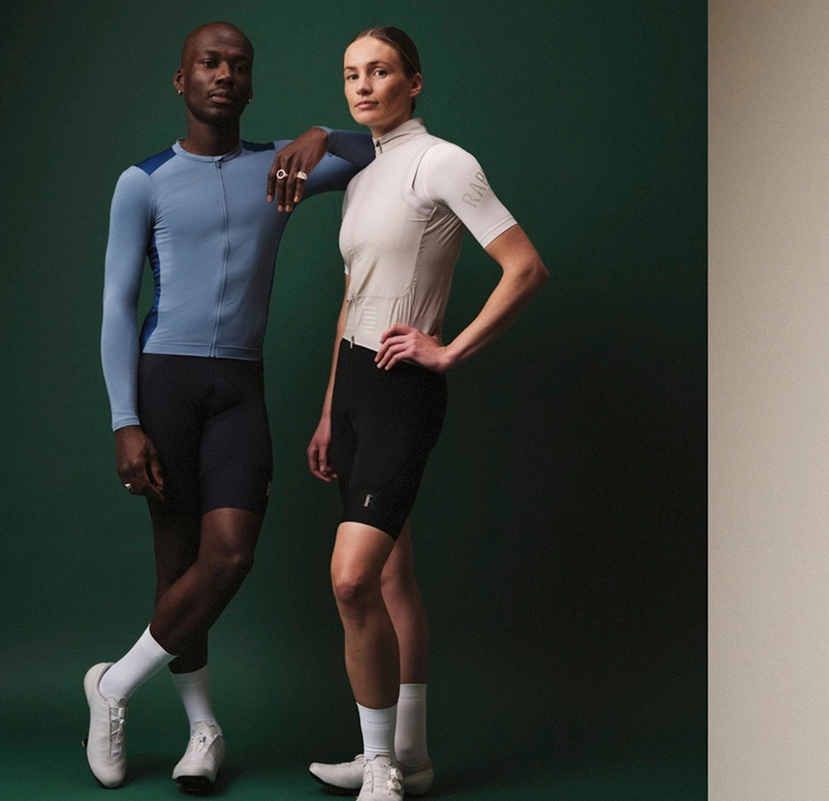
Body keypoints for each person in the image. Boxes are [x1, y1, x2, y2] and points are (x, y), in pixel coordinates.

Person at [88, 21, 375, 791]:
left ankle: (112, 683)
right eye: (210, 63)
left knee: (230, 554)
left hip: (239, 385)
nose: (225, 74)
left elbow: (382, 152)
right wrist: (125, 419)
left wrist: (322, 132)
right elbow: (120, 304)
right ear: (182, 80)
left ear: (250, 85)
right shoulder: (141, 180)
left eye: (239, 66)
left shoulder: (281, 168)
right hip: (165, 382)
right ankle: (202, 730)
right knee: (178, 561)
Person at [302, 26, 548, 801]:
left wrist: (448, 350)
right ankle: (410, 754)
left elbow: (524, 265)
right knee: (396, 576)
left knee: (353, 580)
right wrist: (328, 410)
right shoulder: (363, 172)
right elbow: (355, 291)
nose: (364, 85)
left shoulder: (443, 161)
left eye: (380, 71)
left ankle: (380, 766)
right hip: (355, 385)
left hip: (405, 387)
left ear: (414, 81)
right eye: (351, 74)